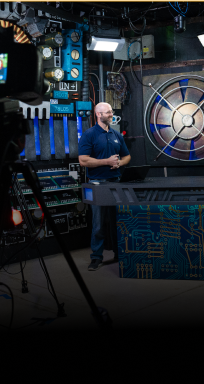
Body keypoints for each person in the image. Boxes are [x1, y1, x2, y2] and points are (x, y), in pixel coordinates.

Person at [78, 102, 131, 271]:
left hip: (115, 183)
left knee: (118, 221)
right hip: (97, 185)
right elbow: (83, 160)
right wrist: (106, 161)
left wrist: (119, 163)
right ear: (98, 115)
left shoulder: (116, 134)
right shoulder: (89, 135)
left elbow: (127, 156)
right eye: (108, 112)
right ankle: (96, 257)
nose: (111, 114)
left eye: (111, 111)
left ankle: (119, 253)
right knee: (99, 223)